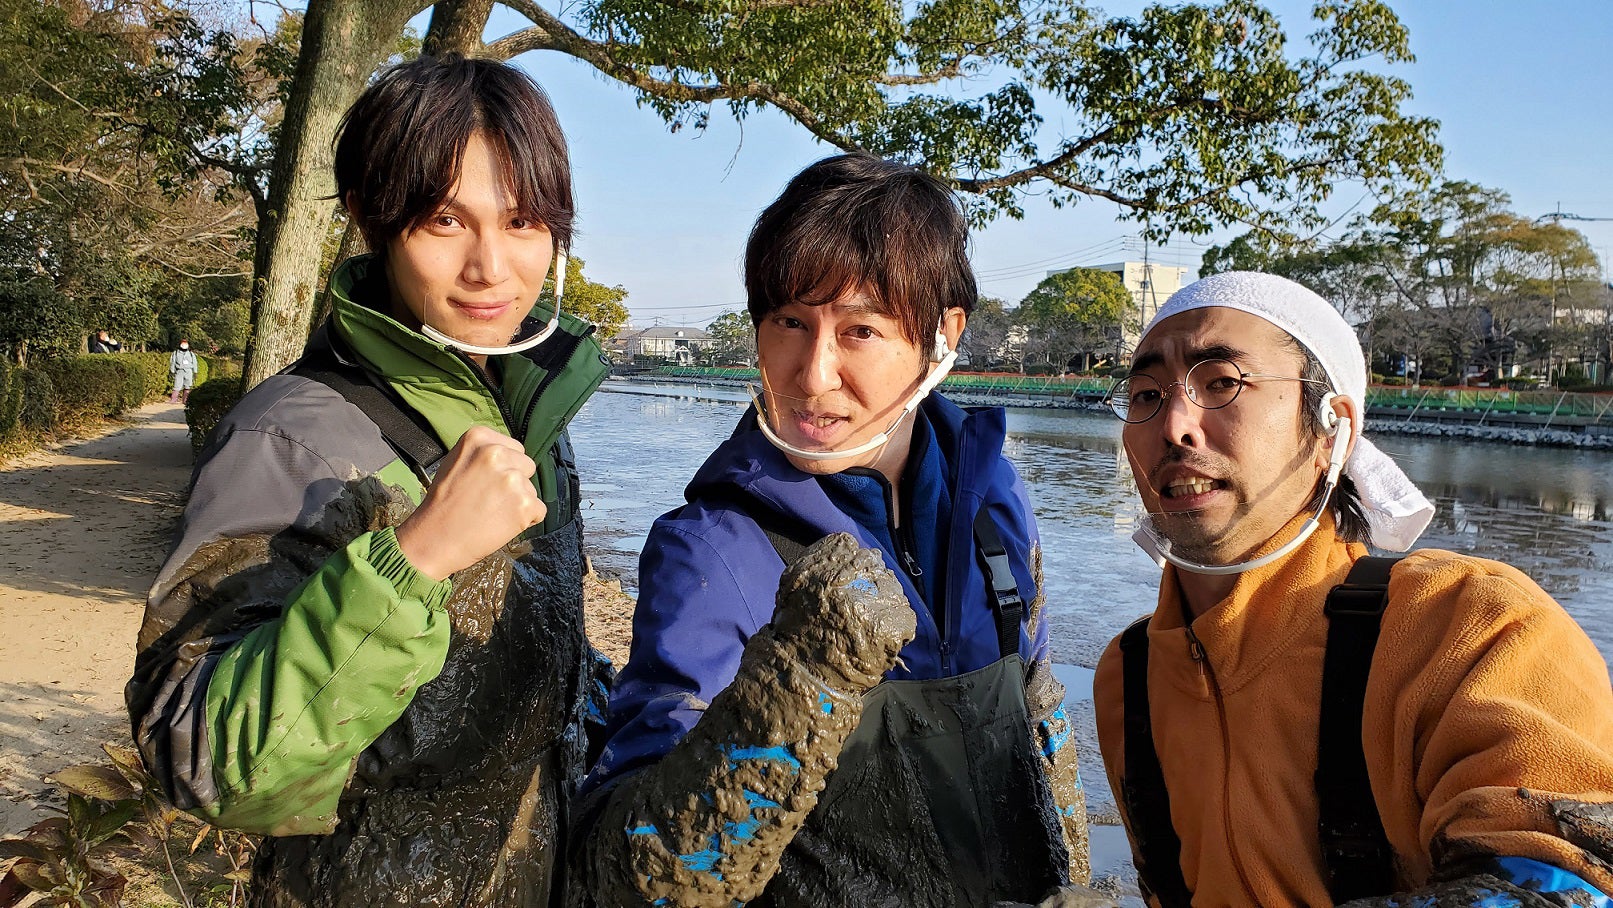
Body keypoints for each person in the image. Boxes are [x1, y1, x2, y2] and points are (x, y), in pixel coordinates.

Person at [126, 55, 610, 908]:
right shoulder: (291, 439)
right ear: (368, 218)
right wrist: (412, 562)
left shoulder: (527, 409)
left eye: (524, 220)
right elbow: (196, 756)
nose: (490, 267)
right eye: (443, 220)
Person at [572, 153, 1090, 908]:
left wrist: (1070, 872)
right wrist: (805, 675)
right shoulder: (711, 546)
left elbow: (1042, 718)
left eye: (859, 331)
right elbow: (629, 872)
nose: (812, 374)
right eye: (789, 322)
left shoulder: (995, 501)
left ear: (941, 336)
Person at [1091, 271, 1613, 906]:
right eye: (1144, 394)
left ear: (1330, 429)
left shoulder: (1474, 629)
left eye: (1222, 383)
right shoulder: (1128, 677)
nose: (1174, 424)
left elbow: (1568, 877)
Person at [168, 339, 197, 403]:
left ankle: (185, 400)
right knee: (176, 386)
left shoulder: (191, 353)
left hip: (188, 371)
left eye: (185, 343)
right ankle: (173, 400)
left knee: (188, 386)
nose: (184, 344)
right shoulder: (175, 353)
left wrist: (195, 372)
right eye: (183, 343)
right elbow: (173, 362)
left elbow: (195, 363)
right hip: (179, 371)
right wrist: (172, 371)